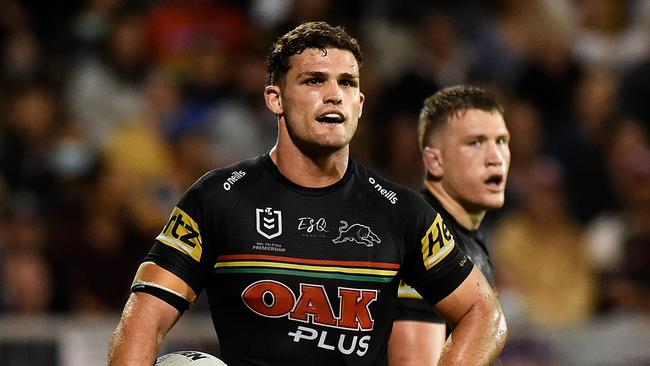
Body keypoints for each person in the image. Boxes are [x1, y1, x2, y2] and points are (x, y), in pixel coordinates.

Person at [108, 22, 507, 365]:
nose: (334, 94)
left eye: (346, 82)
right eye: (314, 80)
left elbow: (483, 312)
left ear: (360, 104)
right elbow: (145, 317)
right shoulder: (219, 198)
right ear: (275, 99)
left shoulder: (402, 211)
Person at [389, 85, 511, 365]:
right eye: (475, 142)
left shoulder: (465, 233)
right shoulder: (423, 238)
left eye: (502, 141)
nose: (495, 158)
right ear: (434, 161)